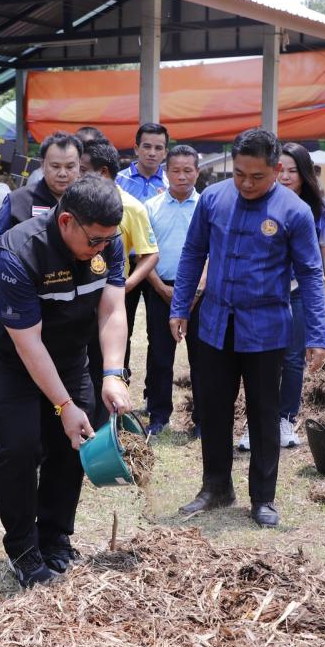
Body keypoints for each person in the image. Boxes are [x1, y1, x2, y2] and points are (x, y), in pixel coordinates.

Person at [170, 128, 325, 527]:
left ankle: (263, 497)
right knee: (214, 407)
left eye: (257, 176)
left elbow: (311, 274)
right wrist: (180, 306)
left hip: (267, 327)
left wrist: (317, 335)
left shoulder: (295, 212)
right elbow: (193, 253)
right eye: (239, 174)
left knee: (263, 413)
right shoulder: (213, 199)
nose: (246, 183)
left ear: (277, 170)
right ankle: (216, 486)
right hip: (215, 323)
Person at [0, 173, 130, 586]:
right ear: (66, 222)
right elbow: (28, 345)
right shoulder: (16, 255)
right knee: (21, 447)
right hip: (12, 361)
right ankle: (23, 547)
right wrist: (64, 405)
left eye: (108, 240)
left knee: (74, 445)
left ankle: (55, 536)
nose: (103, 248)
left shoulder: (108, 242)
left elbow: (112, 310)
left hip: (68, 355)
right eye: (95, 240)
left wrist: (112, 374)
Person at [0, 131, 83, 475]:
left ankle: (48, 448)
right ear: (42, 166)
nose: (62, 173)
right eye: (55, 166)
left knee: (52, 383)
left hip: (59, 311)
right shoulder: (19, 200)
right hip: (14, 307)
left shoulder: (84, 205)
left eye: (70, 166)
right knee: (3, 384)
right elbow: (0, 249)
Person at [79, 137, 158, 427]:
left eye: (82, 168)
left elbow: (150, 254)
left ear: (102, 173)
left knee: (110, 362)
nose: (76, 174)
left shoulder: (131, 207)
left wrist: (127, 284)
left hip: (111, 295)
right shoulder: (76, 204)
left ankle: (107, 425)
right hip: (78, 294)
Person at [273, 143, 325, 449]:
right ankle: (259, 420)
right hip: (267, 293)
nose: (285, 177)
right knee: (261, 359)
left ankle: (285, 419)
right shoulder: (263, 203)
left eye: (292, 171)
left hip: (299, 292)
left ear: (304, 174)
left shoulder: (318, 211)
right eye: (280, 170)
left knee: (292, 359)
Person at [144, 145, 203, 437]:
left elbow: (213, 253)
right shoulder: (150, 208)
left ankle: (202, 419)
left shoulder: (207, 206)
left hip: (200, 294)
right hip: (160, 289)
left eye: (187, 170)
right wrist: (159, 287)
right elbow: (143, 253)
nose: (181, 176)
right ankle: (158, 416)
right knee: (159, 355)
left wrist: (197, 290)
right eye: (175, 171)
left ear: (197, 172)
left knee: (203, 357)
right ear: (166, 173)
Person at [116, 122, 170, 203]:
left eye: (158, 148)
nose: (152, 153)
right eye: (147, 147)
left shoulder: (171, 183)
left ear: (165, 153)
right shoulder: (117, 180)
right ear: (136, 149)